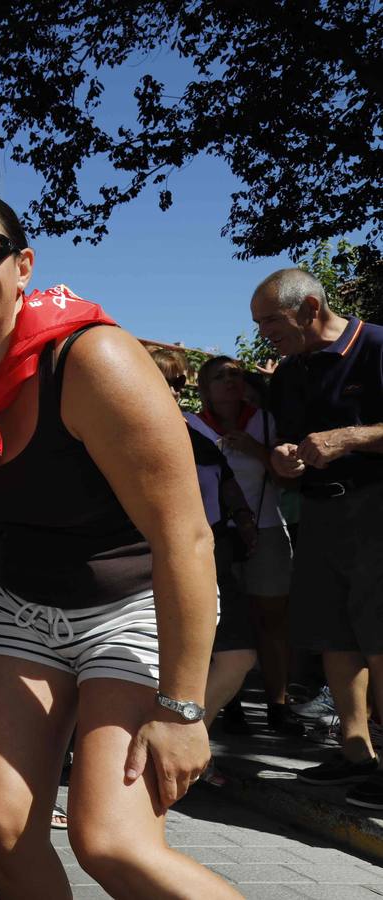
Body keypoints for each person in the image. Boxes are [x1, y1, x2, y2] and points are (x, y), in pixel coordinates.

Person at [0, 181, 236, 898]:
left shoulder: (93, 360)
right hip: (19, 609)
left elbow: (185, 537)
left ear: (22, 265)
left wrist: (183, 710)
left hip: (131, 607)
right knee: (0, 827)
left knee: (111, 842)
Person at [251, 268, 383, 809]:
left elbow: (349, 438)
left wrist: (352, 437)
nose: (264, 335)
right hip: (319, 512)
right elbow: (286, 450)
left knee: (379, 633)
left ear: (309, 307)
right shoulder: (287, 374)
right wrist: (282, 459)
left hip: (376, 506)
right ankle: (354, 752)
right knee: (335, 633)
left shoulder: (375, 345)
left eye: (271, 322)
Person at [149, 349, 259, 734]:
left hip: (212, 559)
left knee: (238, 655)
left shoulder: (196, 433)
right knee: (154, 664)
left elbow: (227, 482)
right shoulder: (124, 433)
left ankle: (185, 739)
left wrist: (245, 521)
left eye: (179, 382)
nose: (174, 390)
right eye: (164, 380)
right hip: (151, 566)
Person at [191, 354, 298, 733]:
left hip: (266, 526)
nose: (231, 382)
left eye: (235, 375)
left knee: (272, 621)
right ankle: (227, 705)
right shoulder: (189, 425)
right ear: (203, 388)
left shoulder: (265, 422)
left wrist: (257, 450)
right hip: (214, 535)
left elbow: (290, 482)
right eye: (220, 377)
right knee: (218, 624)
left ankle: (278, 706)